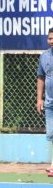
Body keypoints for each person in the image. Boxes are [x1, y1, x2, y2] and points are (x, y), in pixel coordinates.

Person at [37, 27, 53, 177]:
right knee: (52, 134)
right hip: (49, 102)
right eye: (49, 38)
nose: (51, 41)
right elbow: (41, 77)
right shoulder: (44, 56)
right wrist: (39, 99)